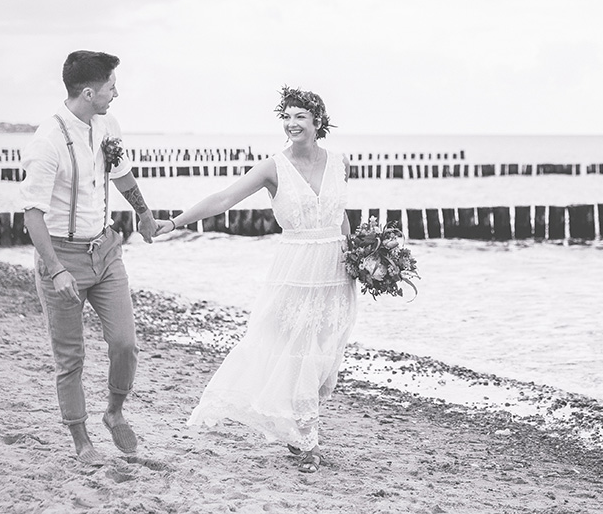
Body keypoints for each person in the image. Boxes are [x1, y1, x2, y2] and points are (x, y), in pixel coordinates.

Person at [155, 86, 357, 473]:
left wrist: (357, 259)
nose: (292, 123)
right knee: (291, 352)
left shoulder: (339, 162)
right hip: (295, 271)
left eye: (301, 116)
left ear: (318, 121)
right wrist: (176, 222)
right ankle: (305, 441)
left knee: (321, 355)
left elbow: (340, 215)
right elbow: (223, 199)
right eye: (287, 116)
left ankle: (298, 426)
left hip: (335, 272)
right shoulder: (273, 167)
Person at [20, 50, 159, 465]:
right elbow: (32, 213)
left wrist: (145, 213)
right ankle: (81, 440)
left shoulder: (107, 124)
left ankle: (114, 412)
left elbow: (121, 173)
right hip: (61, 257)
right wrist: (56, 268)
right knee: (70, 357)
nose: (117, 93)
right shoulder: (47, 140)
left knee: (125, 343)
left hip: (105, 249)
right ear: (88, 92)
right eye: (111, 87)